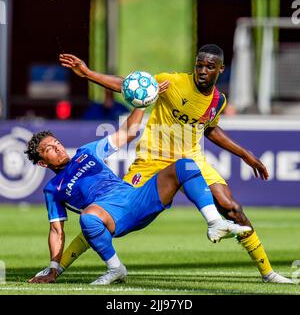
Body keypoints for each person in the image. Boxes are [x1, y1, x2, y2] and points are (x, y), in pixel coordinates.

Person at [35, 44, 292, 284]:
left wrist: (244, 154)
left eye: (209, 67)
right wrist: (88, 74)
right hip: (151, 161)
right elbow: (128, 86)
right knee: (106, 214)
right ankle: (66, 266)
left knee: (232, 208)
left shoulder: (218, 100)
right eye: (199, 65)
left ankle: (267, 272)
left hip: (191, 157)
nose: (202, 71)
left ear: (220, 70)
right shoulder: (174, 82)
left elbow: (209, 129)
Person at [25, 106, 251, 285]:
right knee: (88, 217)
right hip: (112, 215)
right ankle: (116, 269)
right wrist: (54, 268)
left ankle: (215, 222)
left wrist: (141, 104)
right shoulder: (53, 188)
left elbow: (128, 132)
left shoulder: (87, 152)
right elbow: (56, 231)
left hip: (135, 197)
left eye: (56, 143)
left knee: (185, 165)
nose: (58, 147)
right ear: (43, 162)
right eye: (49, 149)